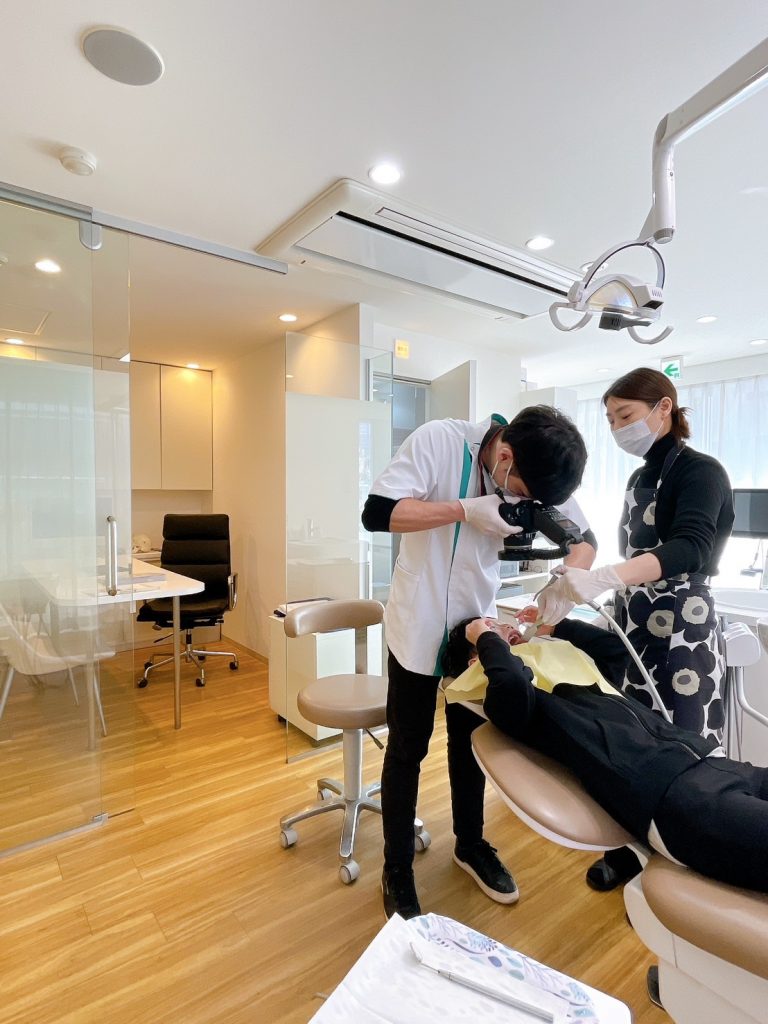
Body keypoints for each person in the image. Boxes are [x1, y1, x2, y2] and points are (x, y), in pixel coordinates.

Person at [361, 405, 596, 919]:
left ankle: (470, 845)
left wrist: (563, 587)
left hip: (477, 628)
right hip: (418, 621)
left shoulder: (539, 465)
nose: (524, 503)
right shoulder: (441, 440)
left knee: (469, 742)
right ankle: (397, 867)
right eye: (522, 493)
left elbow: (585, 542)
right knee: (407, 747)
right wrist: (463, 509)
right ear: (505, 456)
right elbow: (377, 512)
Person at [534, 368, 734, 891]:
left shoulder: (702, 472)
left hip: (684, 624)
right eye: (610, 420)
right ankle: (628, 850)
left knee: (683, 744)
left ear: (664, 408)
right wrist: (576, 592)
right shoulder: (637, 479)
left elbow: (690, 547)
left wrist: (605, 576)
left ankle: (687, 862)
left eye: (625, 415)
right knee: (634, 739)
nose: (618, 428)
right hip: (635, 619)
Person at [444, 616, 768, 895]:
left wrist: (556, 626)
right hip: (676, 798)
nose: (505, 627)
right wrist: (486, 639)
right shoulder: (517, 702)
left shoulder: (573, 677)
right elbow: (510, 682)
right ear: (478, 663)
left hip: (714, 763)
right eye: (491, 629)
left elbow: (614, 650)